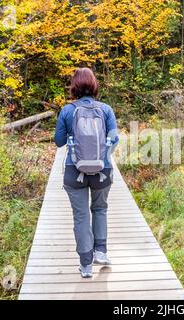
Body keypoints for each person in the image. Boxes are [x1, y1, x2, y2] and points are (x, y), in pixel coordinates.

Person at [54, 68, 119, 278]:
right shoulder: (106, 109)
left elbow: (59, 142)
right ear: (94, 85)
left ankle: (86, 265)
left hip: (75, 171)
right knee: (100, 209)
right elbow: (114, 138)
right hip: (103, 170)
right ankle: (101, 251)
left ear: (74, 86)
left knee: (81, 216)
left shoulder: (67, 110)